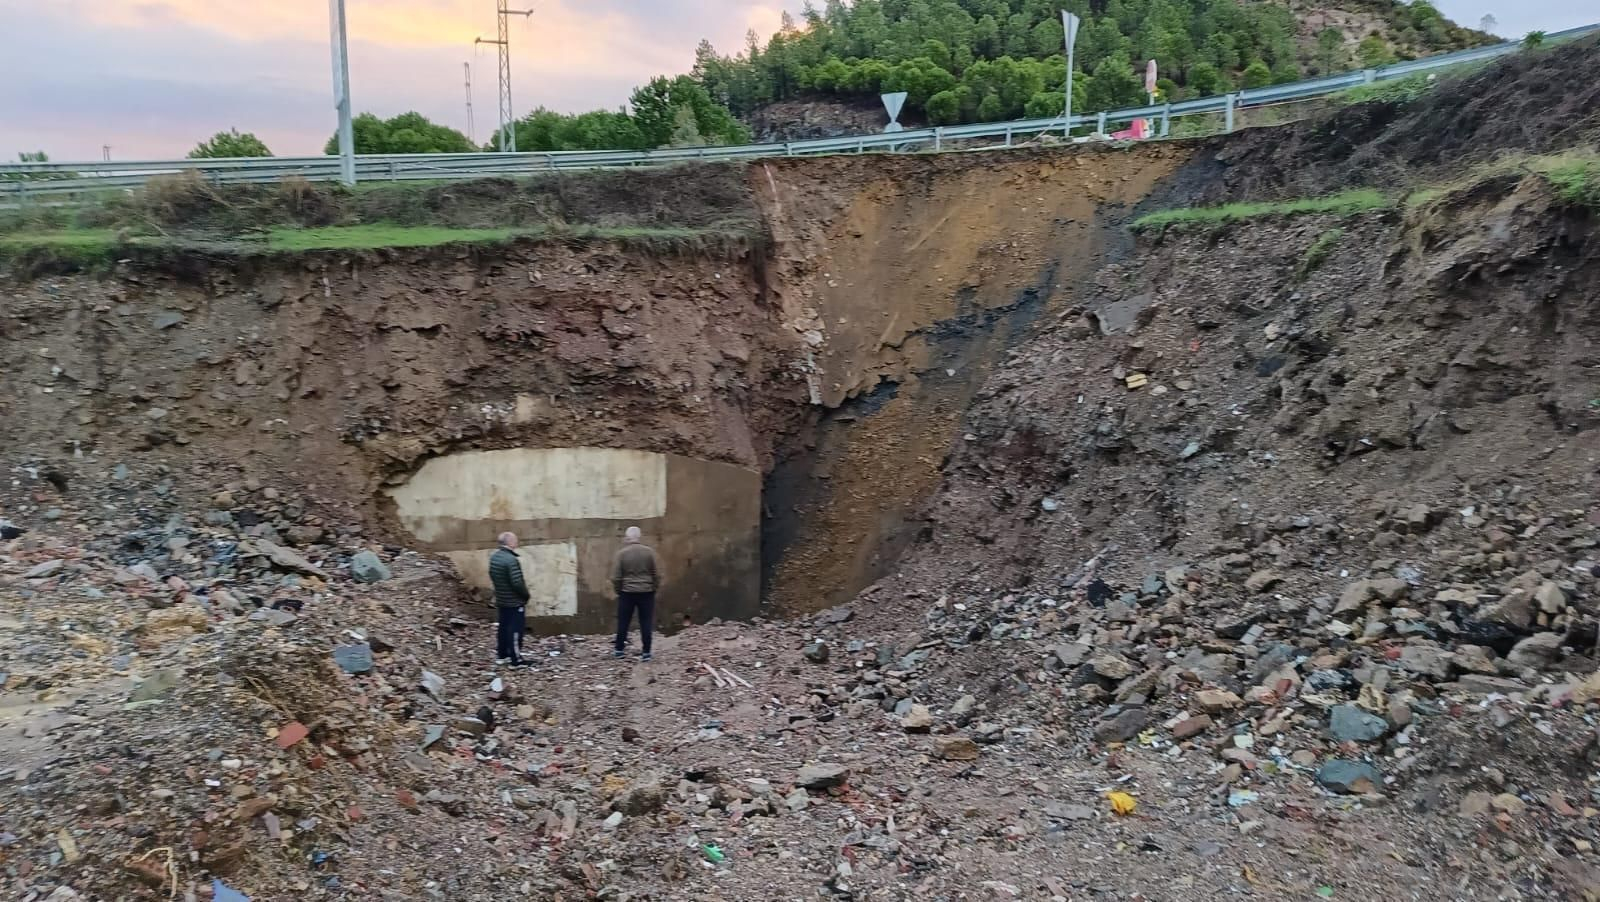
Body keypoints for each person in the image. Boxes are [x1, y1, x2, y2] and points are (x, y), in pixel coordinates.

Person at [611, 526, 660, 661]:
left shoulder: (622, 554)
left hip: (627, 593)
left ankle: (619, 650)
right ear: (639, 537)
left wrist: (619, 590)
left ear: (627, 538)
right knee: (646, 622)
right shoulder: (649, 552)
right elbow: (656, 574)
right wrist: (653, 588)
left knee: (623, 621)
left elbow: (616, 577)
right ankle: (646, 653)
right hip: (646, 592)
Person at [488, 532, 529, 665]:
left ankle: (502, 655)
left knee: (503, 628)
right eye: (515, 540)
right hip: (514, 602)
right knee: (515, 630)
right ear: (510, 542)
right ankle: (516, 659)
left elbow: (493, 576)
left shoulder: (494, 558)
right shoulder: (511, 560)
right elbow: (517, 583)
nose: (517, 542)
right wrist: (525, 595)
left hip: (502, 600)